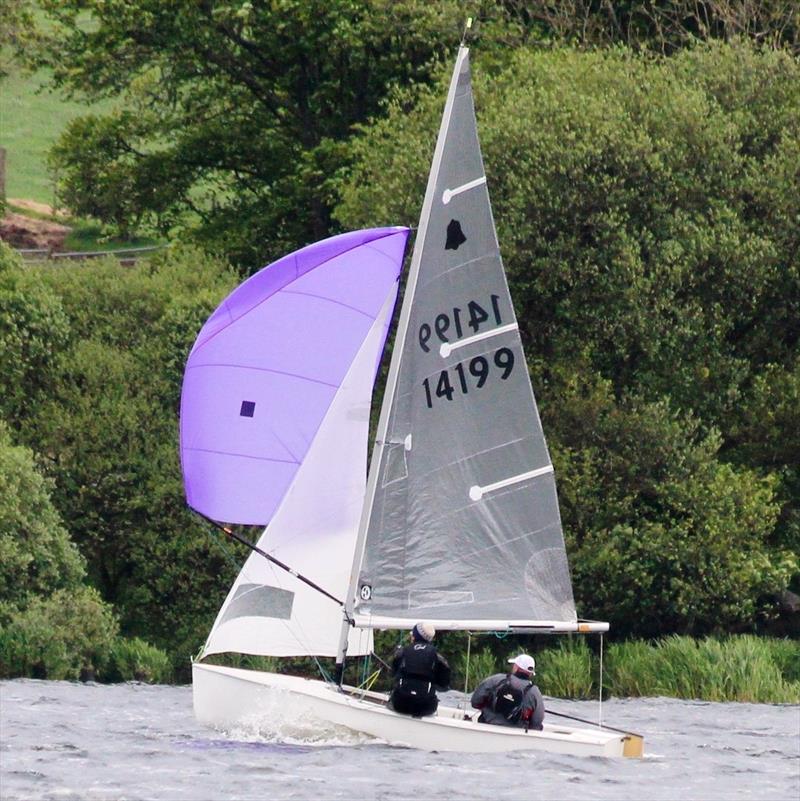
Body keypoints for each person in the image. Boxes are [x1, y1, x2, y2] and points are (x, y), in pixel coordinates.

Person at [388, 622, 451, 718]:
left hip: (400, 704)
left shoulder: (402, 652)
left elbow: (392, 674)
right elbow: (444, 684)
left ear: (414, 637)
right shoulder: (437, 657)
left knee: (395, 696)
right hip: (426, 708)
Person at [470, 653, 544, 730]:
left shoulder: (496, 680)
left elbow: (475, 702)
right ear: (531, 673)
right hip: (516, 734)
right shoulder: (535, 692)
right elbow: (537, 721)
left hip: (487, 726)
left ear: (516, 667)